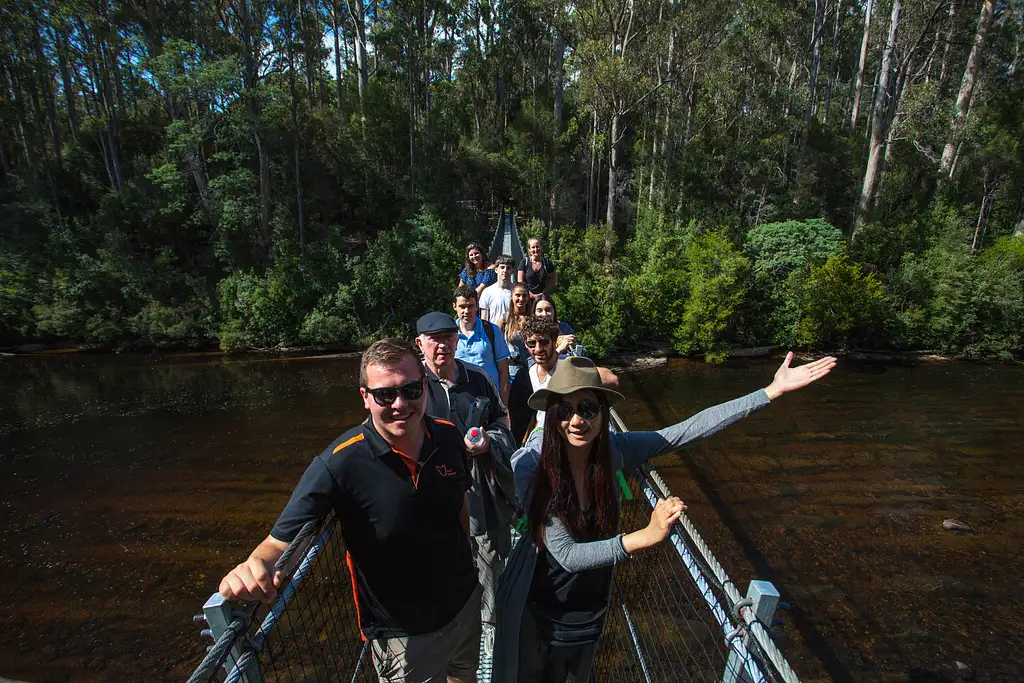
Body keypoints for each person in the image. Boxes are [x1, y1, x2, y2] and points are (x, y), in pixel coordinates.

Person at [492, 353, 838, 683]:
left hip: (590, 607)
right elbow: (566, 555)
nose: (577, 420)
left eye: (587, 408)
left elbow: (687, 430)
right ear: (551, 415)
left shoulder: (616, 451)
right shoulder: (533, 467)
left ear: (604, 413)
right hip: (537, 605)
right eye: (564, 410)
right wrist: (646, 534)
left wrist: (770, 391)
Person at [218, 339, 482, 683]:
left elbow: (460, 506)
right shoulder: (340, 463)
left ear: (426, 387)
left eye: (411, 389)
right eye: (385, 395)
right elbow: (277, 543)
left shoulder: (447, 438)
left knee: (465, 675)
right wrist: (255, 565)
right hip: (404, 635)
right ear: (365, 398)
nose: (400, 404)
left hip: (464, 603)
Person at [416, 312, 517, 657]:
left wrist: (489, 441)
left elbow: (503, 419)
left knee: (490, 553)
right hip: (433, 492)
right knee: (444, 556)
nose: (442, 345)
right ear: (420, 345)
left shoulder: (479, 378)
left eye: (448, 337)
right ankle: (452, 631)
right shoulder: (411, 387)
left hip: (481, 485)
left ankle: (490, 625)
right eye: (434, 339)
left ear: (457, 339)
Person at [507, 316, 618, 445]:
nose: (537, 349)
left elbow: (613, 379)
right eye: (532, 343)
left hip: (569, 434)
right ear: (526, 345)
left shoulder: (567, 364)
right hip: (543, 434)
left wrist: (576, 377)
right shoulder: (529, 373)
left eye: (544, 342)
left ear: (554, 342)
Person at [453, 284, 511, 406]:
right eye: (462, 307)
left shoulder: (491, 330)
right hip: (460, 400)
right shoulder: (449, 334)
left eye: (470, 306)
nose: (466, 311)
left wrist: (504, 407)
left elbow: (504, 371)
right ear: (454, 306)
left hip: (489, 398)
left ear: (477, 306)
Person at [502, 283, 531, 382]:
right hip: (511, 371)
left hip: (530, 369)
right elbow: (495, 342)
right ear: (511, 296)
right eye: (517, 295)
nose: (521, 298)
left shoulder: (532, 319)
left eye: (524, 295)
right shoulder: (505, 319)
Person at [479, 255, 515, 325]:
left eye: (508, 268)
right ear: (496, 270)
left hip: (513, 332)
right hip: (494, 333)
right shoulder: (487, 292)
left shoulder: (517, 292)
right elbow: (484, 320)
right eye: (502, 267)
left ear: (512, 271)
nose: (505, 270)